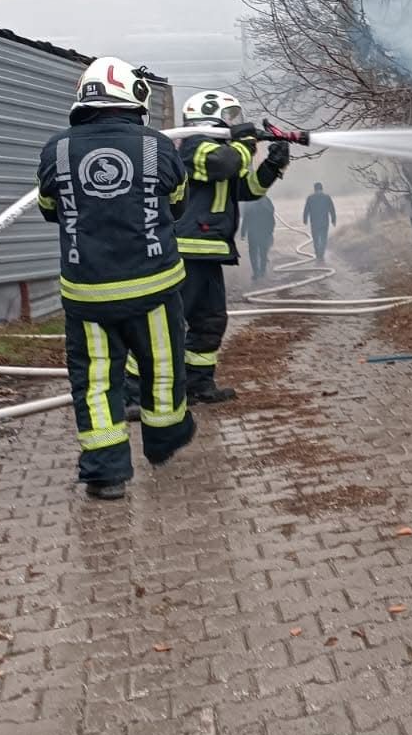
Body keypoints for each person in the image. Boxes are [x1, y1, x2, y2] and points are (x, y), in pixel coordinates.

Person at [36, 57, 195, 501]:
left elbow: (50, 209)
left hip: (86, 294)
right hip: (154, 288)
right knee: (162, 367)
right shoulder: (158, 147)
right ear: (132, 97)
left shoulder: (57, 149)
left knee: (95, 383)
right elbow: (177, 204)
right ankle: (164, 442)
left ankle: (106, 474)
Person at [173, 90, 289, 403]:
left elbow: (248, 189)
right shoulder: (194, 146)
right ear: (211, 115)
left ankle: (197, 384)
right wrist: (246, 144)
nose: (233, 122)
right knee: (168, 324)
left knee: (210, 321)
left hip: (208, 250)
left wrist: (272, 165)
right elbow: (224, 165)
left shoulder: (223, 152)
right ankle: (134, 393)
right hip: (187, 249)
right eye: (230, 116)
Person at [242, 194, 276, 281]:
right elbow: (272, 219)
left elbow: (245, 220)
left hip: (253, 234)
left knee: (253, 253)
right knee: (263, 253)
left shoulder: (250, 206)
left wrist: (243, 233)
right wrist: (270, 231)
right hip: (264, 233)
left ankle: (256, 272)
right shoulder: (267, 205)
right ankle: (262, 271)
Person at [302, 182, 337, 262]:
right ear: (322, 188)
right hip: (324, 222)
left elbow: (306, 209)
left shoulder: (310, 198)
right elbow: (332, 209)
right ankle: (321, 253)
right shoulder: (327, 197)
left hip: (314, 222)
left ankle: (318, 254)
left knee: (316, 238)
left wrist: (305, 219)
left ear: (314, 189)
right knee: (324, 238)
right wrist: (333, 220)